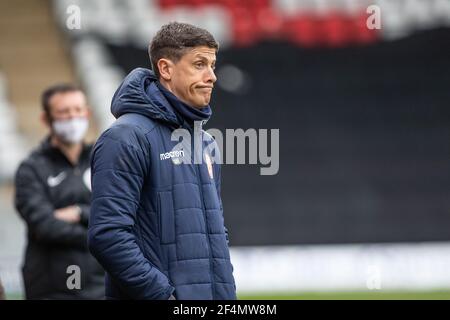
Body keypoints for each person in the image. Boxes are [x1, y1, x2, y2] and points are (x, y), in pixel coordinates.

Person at [88, 22, 236, 300]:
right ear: (166, 69)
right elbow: (108, 236)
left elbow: (217, 231)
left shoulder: (205, 142)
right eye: (200, 64)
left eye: (213, 65)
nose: (212, 76)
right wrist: (162, 295)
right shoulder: (125, 138)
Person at [14, 84, 104, 299]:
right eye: (64, 112)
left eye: (78, 110)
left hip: (102, 286)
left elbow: (122, 213)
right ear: (46, 119)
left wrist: (79, 213)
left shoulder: (103, 159)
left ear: (87, 113)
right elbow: (45, 225)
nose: (73, 117)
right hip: (52, 288)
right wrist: (101, 234)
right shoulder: (31, 168)